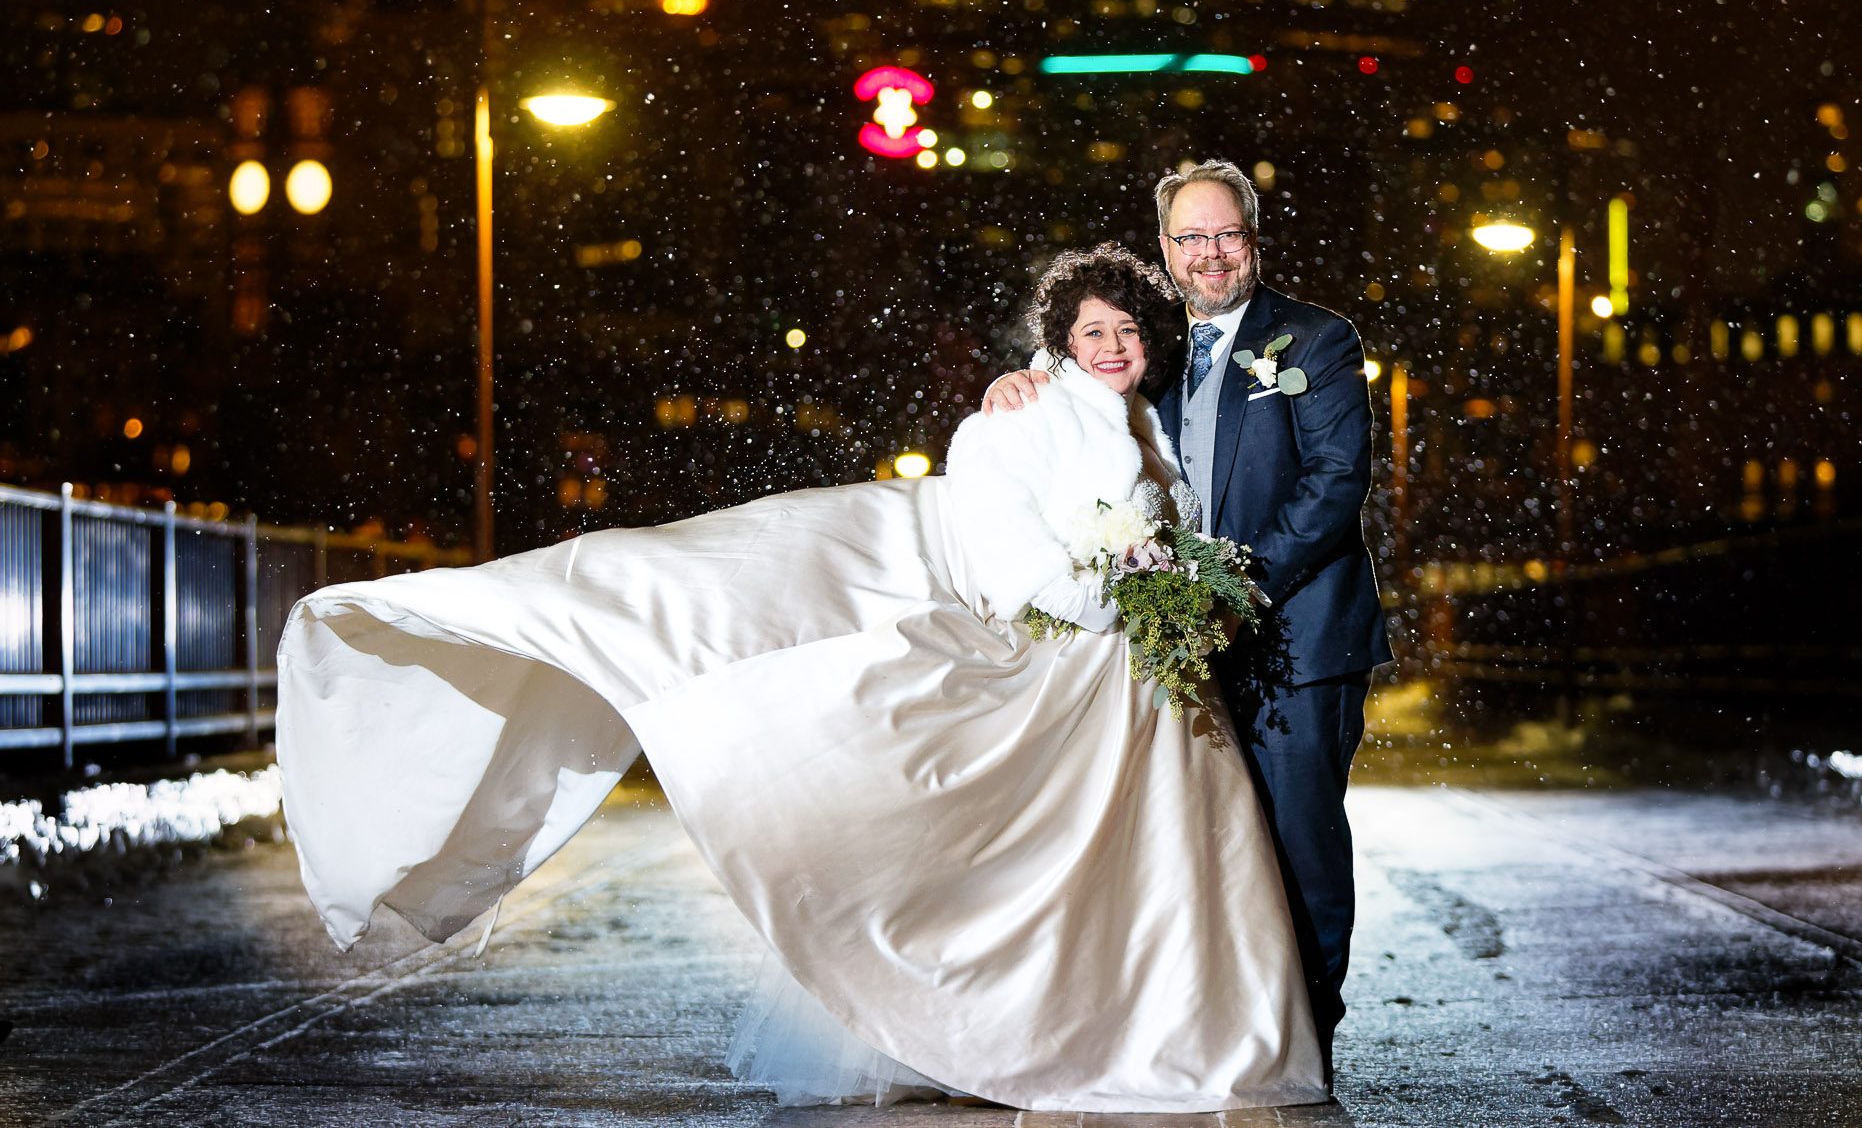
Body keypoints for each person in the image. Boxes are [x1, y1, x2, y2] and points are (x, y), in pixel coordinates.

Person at [275, 243, 1325, 1113]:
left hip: (1145, 687)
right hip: (1080, 666)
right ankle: (1047, 1033)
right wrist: (1116, 590)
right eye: (1092, 331)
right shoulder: (1021, 417)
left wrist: (1170, 587)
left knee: (1154, 881)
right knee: (1036, 873)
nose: (1113, 347)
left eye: (1128, 330)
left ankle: (1162, 1024)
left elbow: (1170, 526)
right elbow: (1017, 573)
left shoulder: (1149, 425)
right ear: (1059, 341)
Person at [984, 161, 1395, 1069]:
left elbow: (1336, 486)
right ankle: (1226, 1032)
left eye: (1228, 234)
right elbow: (1090, 370)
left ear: (1254, 237)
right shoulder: (1158, 344)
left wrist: (1236, 590)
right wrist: (1021, 380)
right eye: (1192, 238)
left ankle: (1306, 1044)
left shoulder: (1319, 339)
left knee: (1298, 843)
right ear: (1166, 249)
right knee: (1210, 850)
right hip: (1182, 647)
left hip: (1299, 639)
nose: (1212, 254)